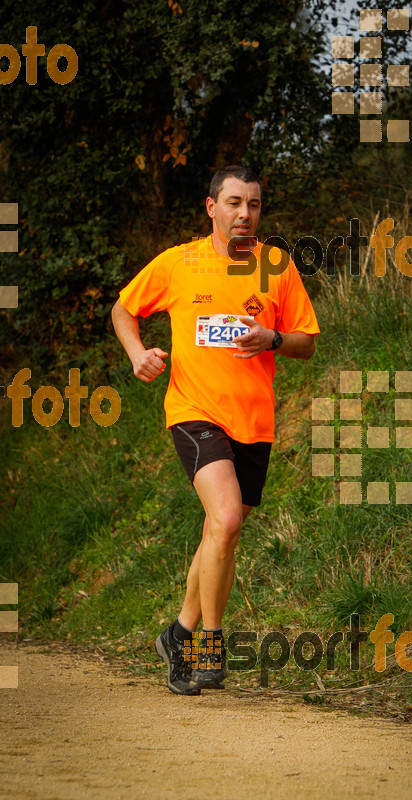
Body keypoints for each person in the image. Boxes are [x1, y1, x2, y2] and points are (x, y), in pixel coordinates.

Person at [111, 164, 320, 696]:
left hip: (255, 421)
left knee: (219, 533)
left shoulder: (277, 267)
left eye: (252, 204)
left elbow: (307, 341)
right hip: (194, 409)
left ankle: (177, 631)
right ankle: (209, 640)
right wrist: (137, 354)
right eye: (233, 202)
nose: (244, 213)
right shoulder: (180, 263)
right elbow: (123, 308)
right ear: (212, 208)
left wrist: (272, 337)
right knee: (225, 518)